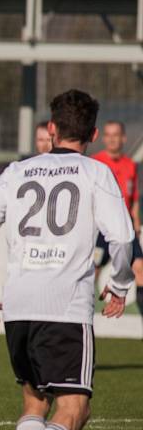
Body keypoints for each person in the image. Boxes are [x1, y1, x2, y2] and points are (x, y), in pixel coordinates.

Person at [0, 89, 134, 430]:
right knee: (75, 407)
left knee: (35, 401)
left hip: (19, 305)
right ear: (93, 136)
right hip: (65, 306)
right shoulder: (96, 172)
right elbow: (122, 238)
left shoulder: (17, 170)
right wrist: (120, 284)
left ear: (53, 128)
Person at [92, 121, 143, 334]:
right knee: (88, 273)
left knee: (140, 269)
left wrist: (137, 224)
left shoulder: (131, 166)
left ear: (123, 138)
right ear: (103, 138)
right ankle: (79, 324)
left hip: (126, 230)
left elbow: (133, 201)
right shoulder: (95, 163)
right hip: (101, 231)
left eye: (116, 135)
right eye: (108, 135)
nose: (112, 139)